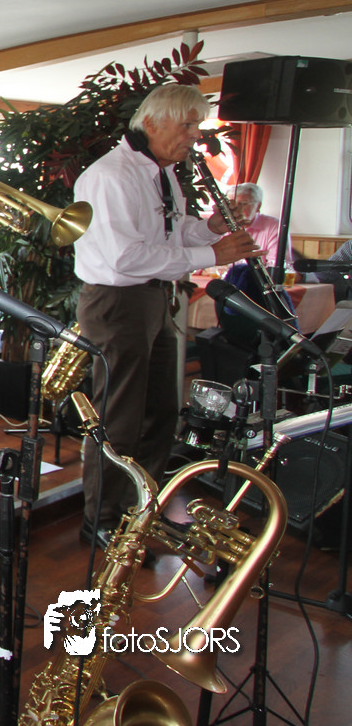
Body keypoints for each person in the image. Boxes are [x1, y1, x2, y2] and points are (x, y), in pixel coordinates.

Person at [72, 83, 259, 548]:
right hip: (118, 302)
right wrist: (212, 253)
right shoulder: (111, 175)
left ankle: (140, 511)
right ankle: (101, 518)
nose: (195, 135)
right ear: (152, 123)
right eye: (187, 125)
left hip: (155, 299)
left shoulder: (161, 171)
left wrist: (209, 228)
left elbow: (167, 234)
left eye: (197, 125)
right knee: (119, 417)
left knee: (160, 413)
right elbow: (125, 257)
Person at [227, 182, 292, 271]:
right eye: (231, 204)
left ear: (258, 206)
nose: (236, 209)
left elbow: (276, 266)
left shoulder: (274, 226)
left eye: (243, 203)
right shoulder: (219, 227)